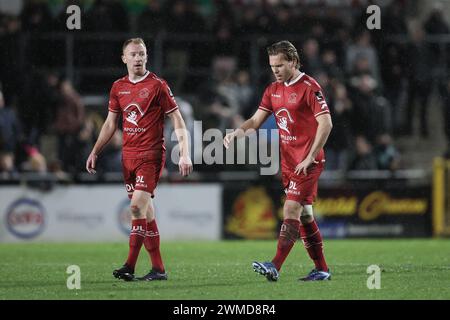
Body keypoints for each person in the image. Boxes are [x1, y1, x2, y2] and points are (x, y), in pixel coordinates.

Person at [224, 40, 333, 281]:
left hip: (308, 161)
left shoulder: (309, 86)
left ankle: (274, 265)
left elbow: (326, 123)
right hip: (288, 162)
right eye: (272, 66)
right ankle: (322, 269)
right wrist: (236, 133)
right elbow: (254, 121)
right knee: (305, 215)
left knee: (290, 208)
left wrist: (311, 156)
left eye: (280, 65)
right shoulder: (273, 89)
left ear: (293, 62)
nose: (275, 70)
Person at [86, 38, 193, 281]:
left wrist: (184, 152)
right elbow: (111, 123)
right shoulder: (118, 87)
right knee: (147, 214)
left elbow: (177, 120)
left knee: (135, 207)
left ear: (147, 56)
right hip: (129, 158)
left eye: (142, 54)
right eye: (133, 54)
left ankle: (129, 266)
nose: (138, 58)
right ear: (124, 58)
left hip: (151, 156)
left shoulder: (158, 85)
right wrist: (95, 151)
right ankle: (159, 269)